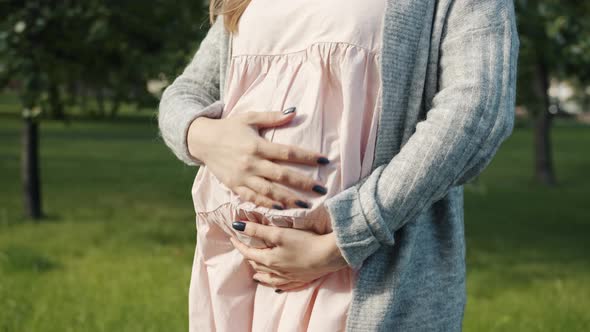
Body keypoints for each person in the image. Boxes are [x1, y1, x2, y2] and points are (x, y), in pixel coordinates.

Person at [157, 0, 519, 331]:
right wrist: (204, 137)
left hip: (367, 279)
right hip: (241, 272)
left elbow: (476, 110)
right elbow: (185, 92)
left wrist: (345, 236)